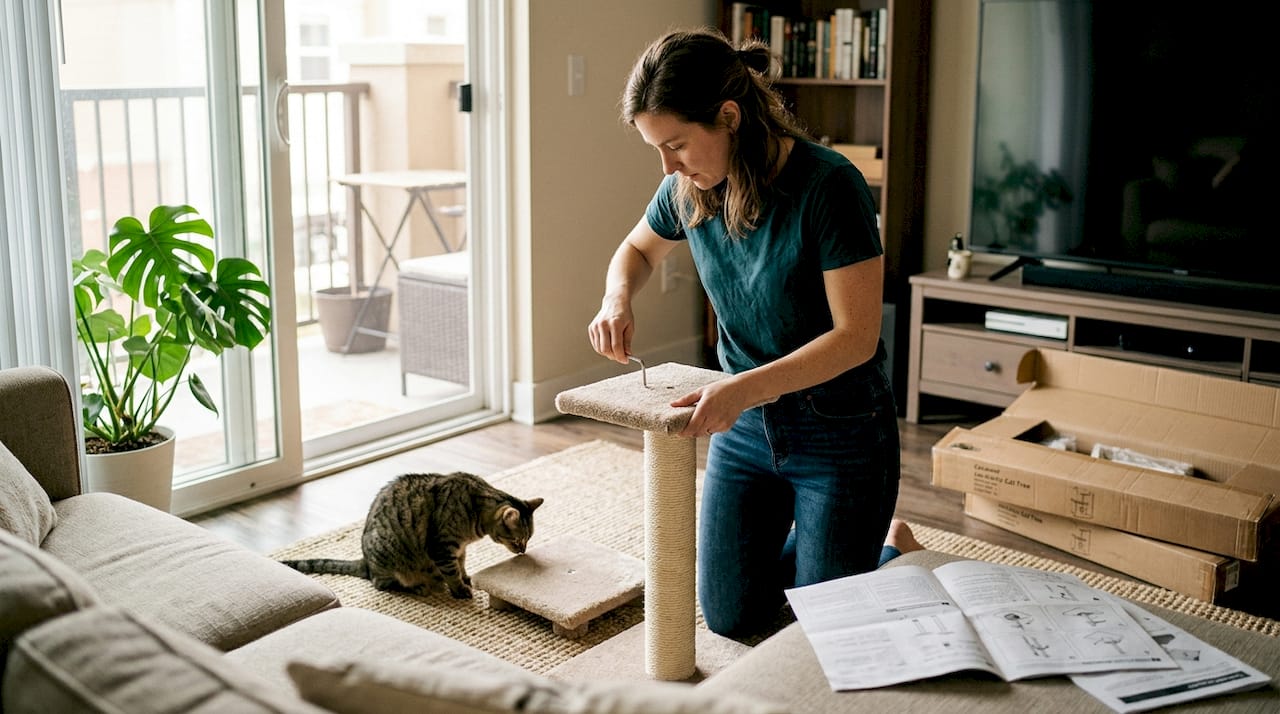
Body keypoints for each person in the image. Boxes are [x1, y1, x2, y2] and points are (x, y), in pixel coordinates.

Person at [588, 28, 907, 638]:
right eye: (658, 149)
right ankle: (850, 554)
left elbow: (856, 338)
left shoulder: (829, 186)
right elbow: (636, 250)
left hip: (839, 429)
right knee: (733, 617)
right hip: (749, 429)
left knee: (826, 628)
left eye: (677, 144)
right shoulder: (686, 187)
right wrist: (616, 297)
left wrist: (741, 390)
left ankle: (885, 555)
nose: (667, 165)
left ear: (729, 117)